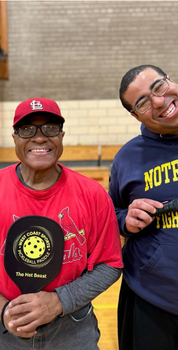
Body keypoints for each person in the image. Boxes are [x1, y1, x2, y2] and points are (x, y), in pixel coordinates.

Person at [0, 98, 123, 350]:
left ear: (62, 136)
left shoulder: (92, 194)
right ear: (15, 138)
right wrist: (4, 310)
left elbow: (110, 264)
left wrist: (59, 302)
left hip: (72, 332)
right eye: (27, 130)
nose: (39, 138)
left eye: (50, 128)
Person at [108, 64, 178, 350]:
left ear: (171, 80)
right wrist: (126, 219)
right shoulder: (128, 158)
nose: (159, 102)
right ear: (135, 115)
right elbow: (110, 215)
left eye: (159, 87)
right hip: (152, 299)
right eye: (143, 103)